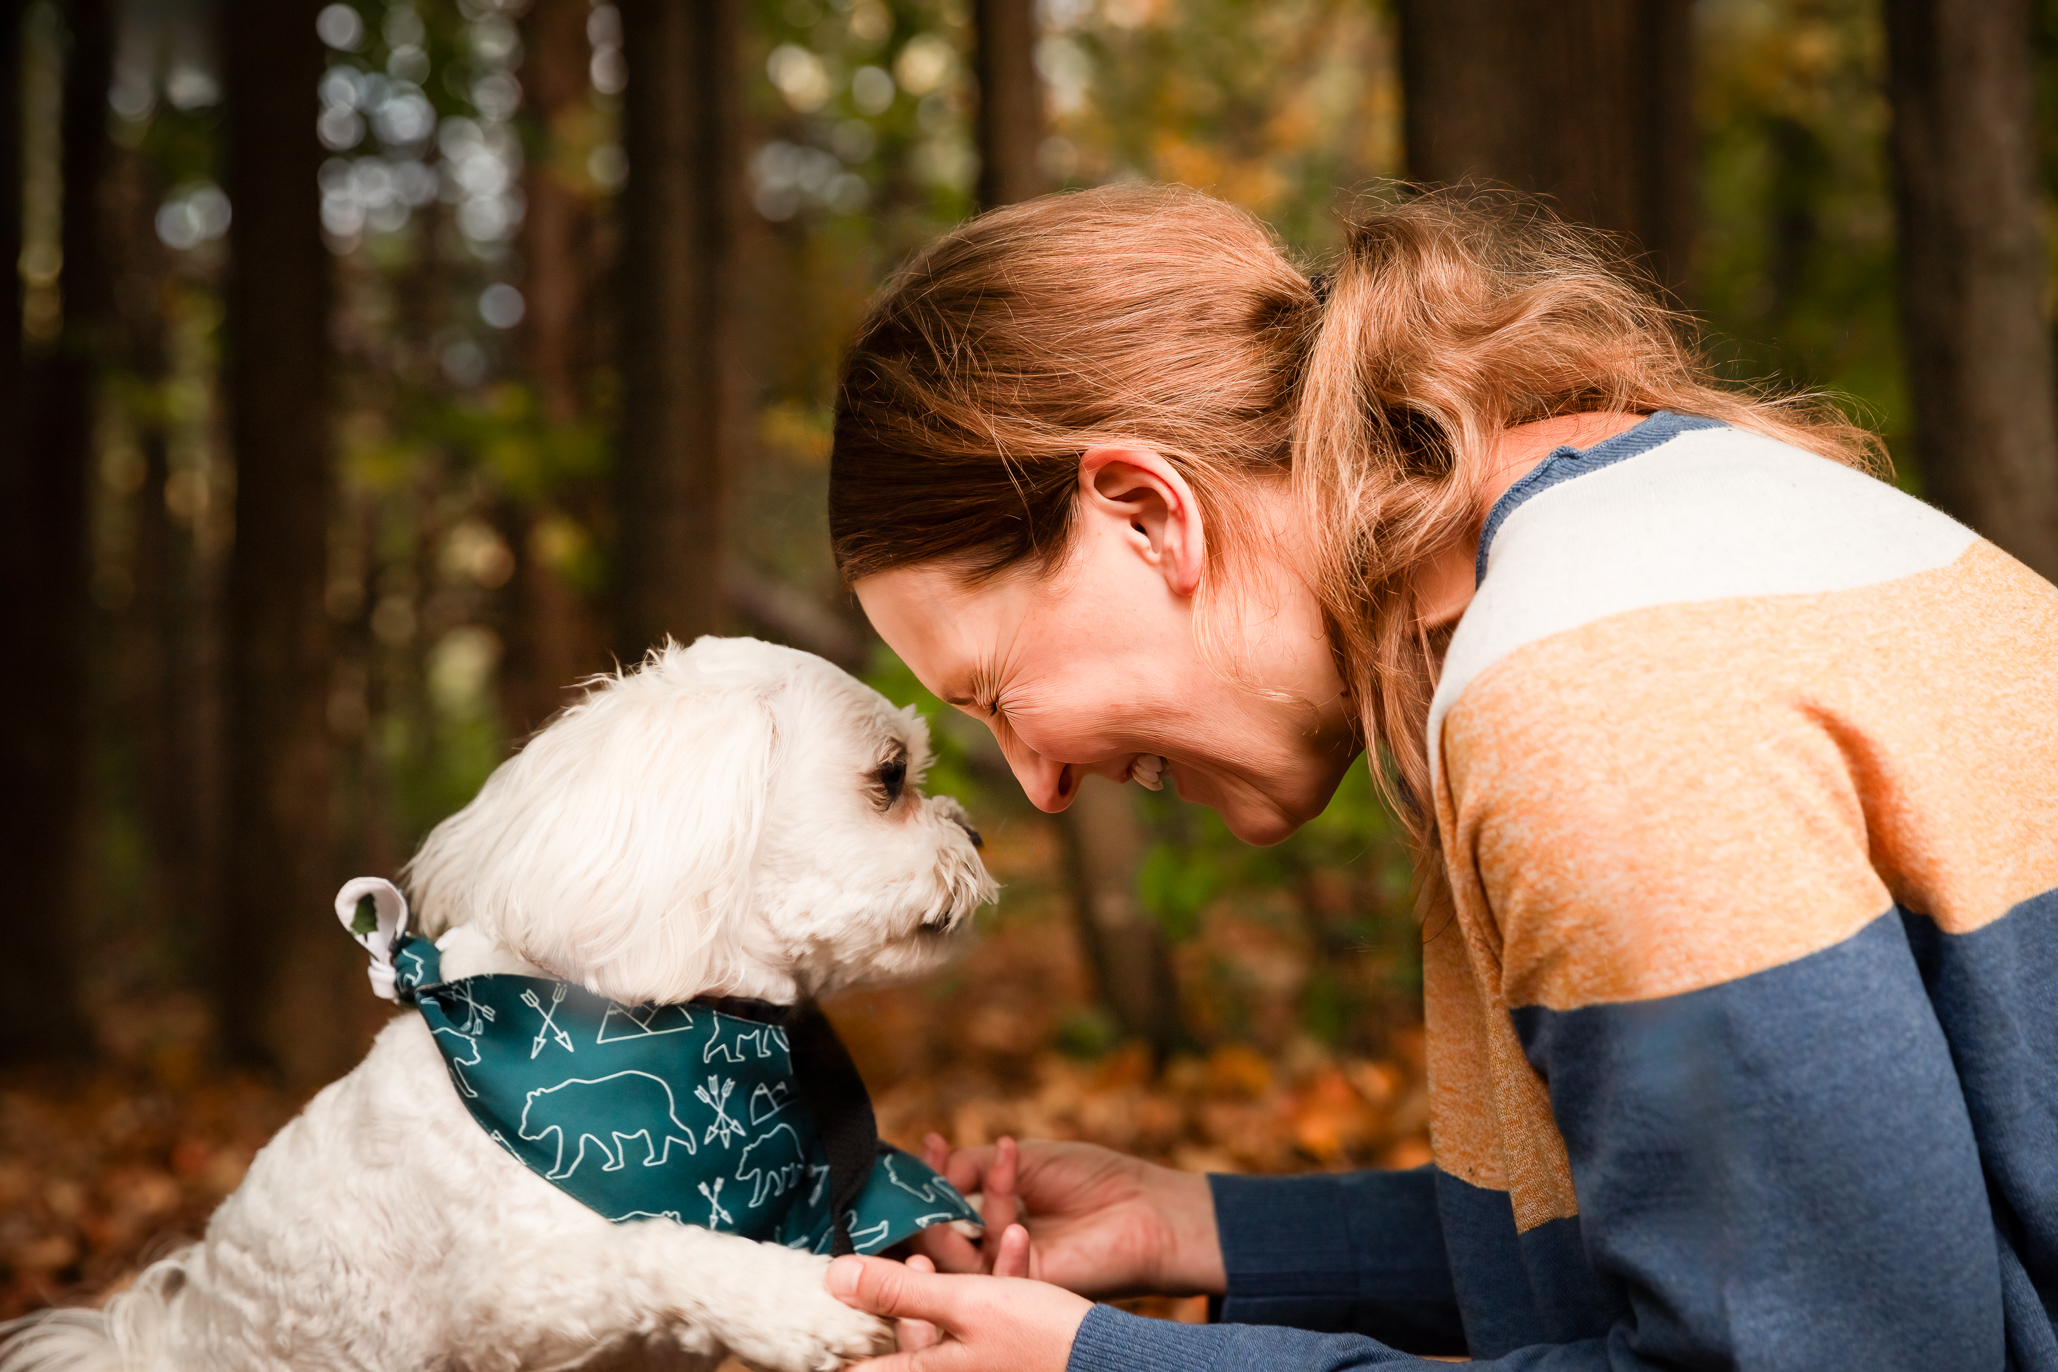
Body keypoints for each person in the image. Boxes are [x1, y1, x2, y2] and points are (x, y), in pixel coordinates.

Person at [818, 184, 2058, 1371]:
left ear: (1147, 513)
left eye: (997, 694)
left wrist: (1112, 1364)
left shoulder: (1598, 700)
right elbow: (1775, 1221)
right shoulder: (1646, 541)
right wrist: (1203, 1226)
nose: (1037, 786)